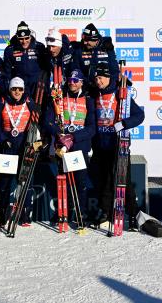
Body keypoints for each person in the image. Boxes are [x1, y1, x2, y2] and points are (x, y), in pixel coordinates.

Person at [89, 64, 144, 230]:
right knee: (103, 180)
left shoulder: (122, 95)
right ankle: (105, 214)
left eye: (101, 78)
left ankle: (133, 215)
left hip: (118, 144)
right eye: (96, 79)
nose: (98, 81)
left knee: (123, 181)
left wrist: (124, 124)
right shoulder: (94, 95)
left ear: (109, 78)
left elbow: (139, 115)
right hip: (100, 145)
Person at [44, 69, 96, 223]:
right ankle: (62, 212)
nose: (72, 83)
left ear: (81, 82)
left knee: (80, 182)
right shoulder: (59, 98)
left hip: (79, 145)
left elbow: (92, 128)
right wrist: (58, 133)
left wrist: (73, 137)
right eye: (70, 80)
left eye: (76, 80)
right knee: (63, 182)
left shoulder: (88, 99)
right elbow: (48, 121)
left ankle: (81, 213)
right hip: (62, 146)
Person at [0, 77, 37, 227]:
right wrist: (2, 138)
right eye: (14, 89)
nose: (17, 92)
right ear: (9, 89)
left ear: (24, 90)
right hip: (7, 146)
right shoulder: (2, 102)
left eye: (20, 89)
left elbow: (37, 124)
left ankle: (25, 214)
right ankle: (1, 215)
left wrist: (33, 141)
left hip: (24, 146)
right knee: (4, 183)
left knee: (24, 181)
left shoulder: (30, 102)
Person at [3, 21, 47, 96]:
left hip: (37, 88)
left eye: (26, 38)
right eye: (21, 39)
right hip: (19, 88)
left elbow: (45, 69)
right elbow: (7, 73)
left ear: (30, 36)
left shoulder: (40, 47)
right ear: (17, 37)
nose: (24, 41)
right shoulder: (9, 50)